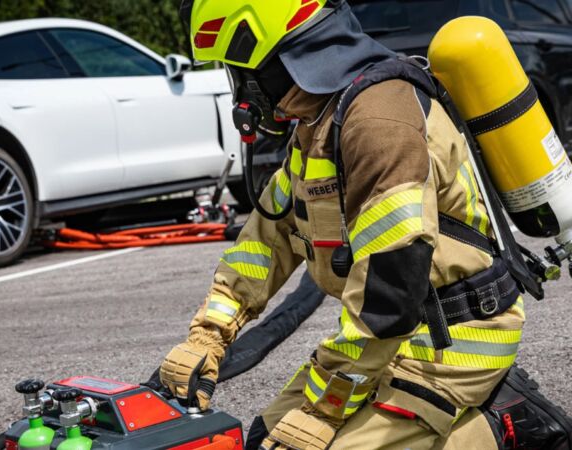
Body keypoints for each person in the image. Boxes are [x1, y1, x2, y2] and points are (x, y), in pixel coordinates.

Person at [160, 1, 571, 449]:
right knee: (266, 439)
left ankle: (501, 427)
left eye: (237, 70)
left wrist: (325, 409)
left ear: (268, 53)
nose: (242, 90)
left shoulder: (379, 122)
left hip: (450, 346)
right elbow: (266, 241)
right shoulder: (317, 122)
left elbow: (388, 295)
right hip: (386, 341)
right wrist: (208, 337)